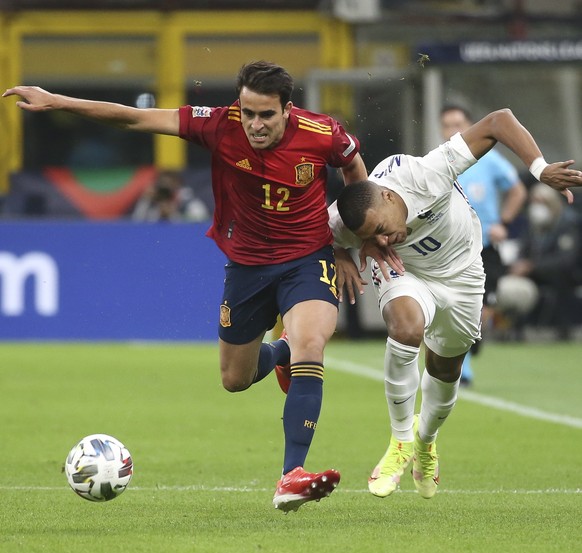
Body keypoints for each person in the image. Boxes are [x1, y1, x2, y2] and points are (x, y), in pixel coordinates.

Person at [3, 61, 368, 512]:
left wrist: (352, 240)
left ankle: (291, 474)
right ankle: (282, 353)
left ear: (287, 109)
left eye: (265, 115)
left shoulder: (323, 132)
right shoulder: (218, 124)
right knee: (235, 379)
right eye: (247, 111)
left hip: (307, 258)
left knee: (313, 340)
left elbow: (354, 171)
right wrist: (58, 100)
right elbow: (133, 116)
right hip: (247, 267)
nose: (254, 124)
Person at [328, 108, 581, 500]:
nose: (382, 240)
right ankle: (399, 443)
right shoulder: (350, 221)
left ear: (390, 196)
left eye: (381, 229)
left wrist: (540, 169)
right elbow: (315, 233)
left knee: (445, 368)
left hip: (463, 273)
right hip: (408, 275)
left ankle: (425, 441)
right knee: (405, 327)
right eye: (370, 238)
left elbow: (499, 121)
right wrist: (345, 253)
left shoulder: (427, 174)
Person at [440, 105, 527, 386]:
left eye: (458, 123)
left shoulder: (488, 160)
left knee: (483, 306)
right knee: (452, 304)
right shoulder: (438, 159)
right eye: (447, 125)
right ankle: (461, 365)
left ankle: (470, 342)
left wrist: (504, 220)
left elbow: (517, 189)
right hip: (450, 246)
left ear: (469, 125)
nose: (453, 130)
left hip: (485, 245)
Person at [497, 182, 582, 340]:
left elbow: (566, 261)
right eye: (534, 202)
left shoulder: (568, 223)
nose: (537, 207)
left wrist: (532, 266)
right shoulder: (532, 226)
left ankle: (560, 331)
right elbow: (523, 251)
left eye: (541, 202)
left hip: (564, 278)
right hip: (535, 277)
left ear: (552, 203)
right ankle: (511, 331)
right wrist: (520, 265)